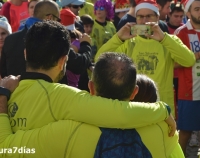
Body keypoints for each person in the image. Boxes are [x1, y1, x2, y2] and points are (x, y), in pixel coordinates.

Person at [0, 52, 180, 158]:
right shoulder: (165, 130)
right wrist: (163, 109)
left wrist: (2, 98)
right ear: (134, 92)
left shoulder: (65, 131)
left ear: (91, 88)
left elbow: (7, 148)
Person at [95, 0, 196, 116]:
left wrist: (164, 39)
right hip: (133, 106)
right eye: (140, 17)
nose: (144, 21)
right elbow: (99, 59)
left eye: (149, 16)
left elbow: (189, 60)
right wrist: (118, 38)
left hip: (162, 107)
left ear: (158, 18)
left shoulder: (169, 40)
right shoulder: (128, 41)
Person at [0, 0, 92, 86]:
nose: (60, 23)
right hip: (48, 98)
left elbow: (4, 72)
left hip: (17, 97)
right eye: (58, 20)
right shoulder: (54, 39)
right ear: (50, 17)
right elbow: (79, 65)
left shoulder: (10, 40)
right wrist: (85, 44)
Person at [174, 0, 200, 155]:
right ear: (188, 13)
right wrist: (196, 56)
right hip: (188, 92)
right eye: (197, 9)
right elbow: (173, 62)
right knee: (185, 132)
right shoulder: (181, 33)